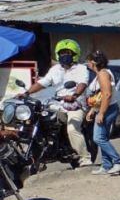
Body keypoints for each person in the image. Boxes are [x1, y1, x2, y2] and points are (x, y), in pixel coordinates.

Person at [23, 39, 92, 167]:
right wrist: (26, 93)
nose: (64, 56)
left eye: (68, 53)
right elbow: (42, 83)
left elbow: (82, 84)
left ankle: (85, 157)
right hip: (57, 105)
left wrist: (74, 95)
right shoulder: (55, 69)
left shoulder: (81, 69)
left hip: (75, 106)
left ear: (74, 54)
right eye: (62, 53)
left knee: (72, 128)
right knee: (39, 119)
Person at [84, 50, 120, 175]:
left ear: (93, 62)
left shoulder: (103, 74)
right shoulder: (102, 74)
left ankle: (118, 161)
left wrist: (101, 113)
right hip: (104, 108)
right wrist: (93, 110)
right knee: (104, 137)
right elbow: (99, 96)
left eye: (88, 62)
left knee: (98, 138)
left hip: (108, 109)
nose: (87, 64)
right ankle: (107, 165)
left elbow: (107, 94)